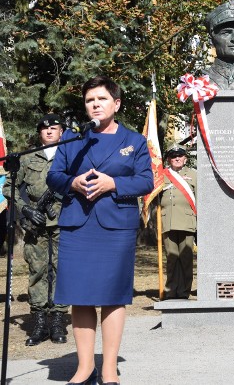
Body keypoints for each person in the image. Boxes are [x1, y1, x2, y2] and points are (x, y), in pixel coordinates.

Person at [47, 76, 153, 384]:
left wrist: (114, 183)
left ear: (116, 104)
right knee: (79, 296)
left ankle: (108, 368)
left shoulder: (133, 140)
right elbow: (54, 176)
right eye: (90, 99)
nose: (95, 103)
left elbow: (146, 180)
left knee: (112, 297)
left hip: (115, 227)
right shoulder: (72, 138)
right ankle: (84, 367)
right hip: (78, 224)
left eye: (102, 99)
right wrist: (72, 182)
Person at [2, 114, 69, 346]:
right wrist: (26, 210)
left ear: (62, 131)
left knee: (61, 269)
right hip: (36, 224)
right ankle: (40, 324)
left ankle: (59, 321)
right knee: (38, 270)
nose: (49, 132)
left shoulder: (69, 155)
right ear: (39, 133)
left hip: (64, 222)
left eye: (54, 128)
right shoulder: (28, 157)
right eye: (44, 129)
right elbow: (9, 186)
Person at [159, 144, 197, 300]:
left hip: (187, 221)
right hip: (168, 221)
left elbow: (201, 199)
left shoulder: (194, 175)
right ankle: (171, 291)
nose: (177, 158)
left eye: (180, 155)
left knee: (186, 258)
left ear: (185, 158)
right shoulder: (161, 176)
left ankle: (183, 292)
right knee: (171, 258)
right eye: (173, 156)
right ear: (168, 159)